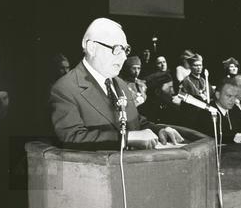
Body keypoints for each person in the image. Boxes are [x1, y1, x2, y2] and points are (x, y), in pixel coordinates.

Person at [50, 18, 183, 149]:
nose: (124, 57)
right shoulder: (65, 88)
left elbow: (135, 122)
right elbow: (72, 137)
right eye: (117, 49)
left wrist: (158, 130)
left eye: (126, 50)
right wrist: (126, 138)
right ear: (92, 48)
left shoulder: (121, 84)